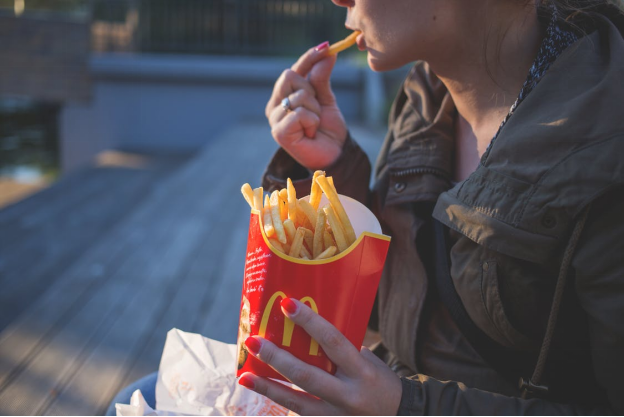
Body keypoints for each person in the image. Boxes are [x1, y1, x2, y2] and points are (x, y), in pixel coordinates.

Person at [237, 0, 624, 414]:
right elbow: (407, 313)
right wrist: (331, 168)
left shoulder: (607, 146)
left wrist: (406, 407)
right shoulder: (426, 96)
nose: (338, 0)